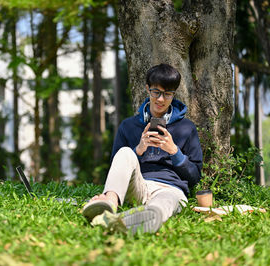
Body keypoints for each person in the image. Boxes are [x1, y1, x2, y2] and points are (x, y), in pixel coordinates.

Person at [82, 63, 203, 234]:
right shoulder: (128, 126)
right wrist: (138, 150)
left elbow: (194, 177)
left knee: (162, 205)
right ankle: (109, 203)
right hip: (138, 186)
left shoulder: (187, 128)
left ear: (174, 95)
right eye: (156, 92)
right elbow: (116, 168)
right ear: (147, 89)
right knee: (125, 152)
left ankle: (137, 219)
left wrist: (174, 151)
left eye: (167, 94)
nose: (161, 99)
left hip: (171, 189)